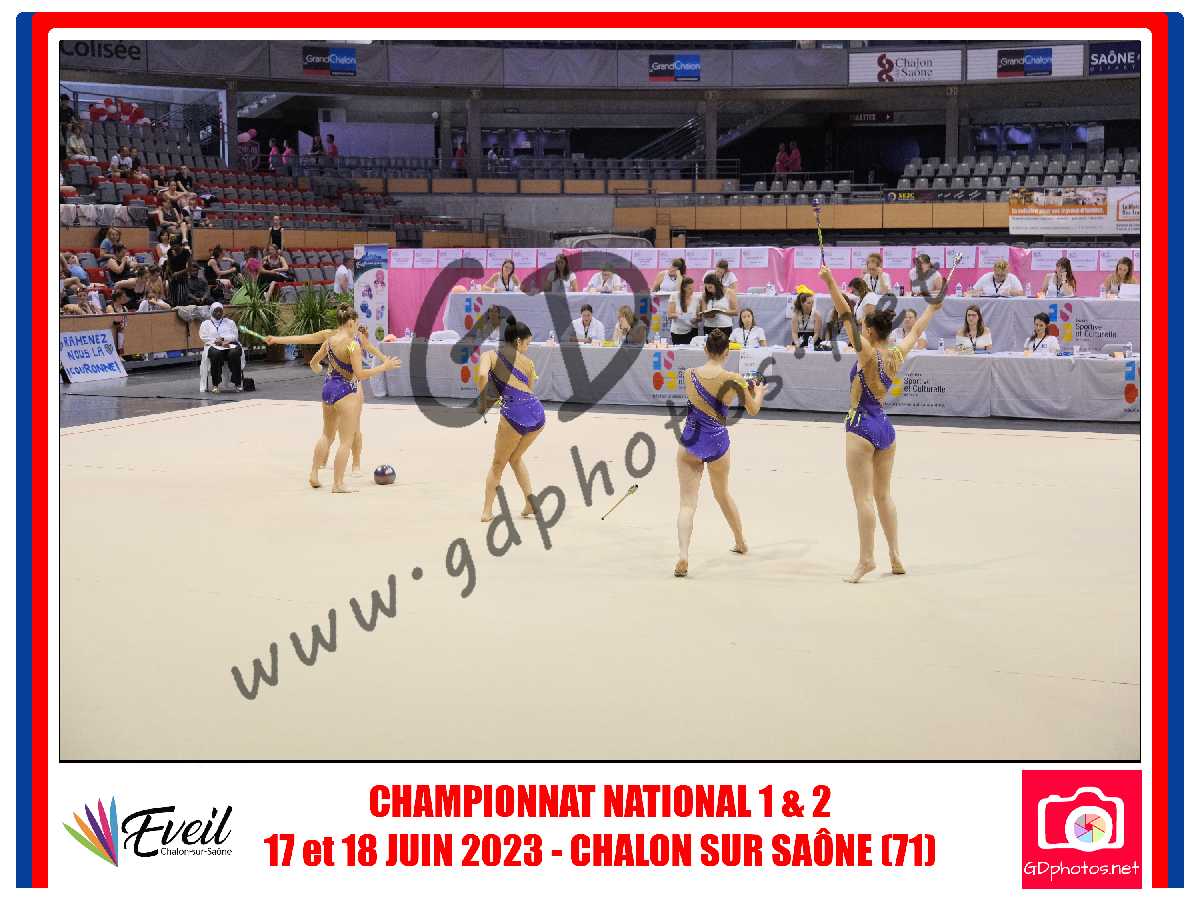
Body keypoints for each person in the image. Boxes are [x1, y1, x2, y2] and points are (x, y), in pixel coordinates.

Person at [819, 263, 942, 583]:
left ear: (871, 333)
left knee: (863, 498)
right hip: (885, 427)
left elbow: (844, 313)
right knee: (884, 495)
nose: (859, 330)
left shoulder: (867, 354)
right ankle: (895, 555)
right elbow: (916, 331)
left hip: (861, 425)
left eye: (863, 327)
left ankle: (866, 559)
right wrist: (933, 307)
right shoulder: (896, 354)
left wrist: (830, 281)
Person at [673, 328, 765, 577]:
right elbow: (753, 409)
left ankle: (683, 554)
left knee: (687, 504)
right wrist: (758, 392)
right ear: (727, 352)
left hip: (690, 441)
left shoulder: (689, 374)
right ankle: (740, 542)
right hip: (716, 443)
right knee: (722, 494)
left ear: (705, 349)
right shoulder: (734, 379)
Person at [268, 322, 393, 480]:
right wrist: (385, 363)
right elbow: (305, 339)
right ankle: (337, 464)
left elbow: (369, 348)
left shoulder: (349, 337)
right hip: (347, 385)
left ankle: (352, 463)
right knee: (342, 430)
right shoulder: (332, 336)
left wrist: (384, 358)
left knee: (337, 430)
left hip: (341, 385)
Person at [477, 316, 545, 521]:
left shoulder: (489, 355)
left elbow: (482, 375)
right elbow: (530, 390)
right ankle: (530, 502)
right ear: (518, 342)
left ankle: (487, 511)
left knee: (498, 464)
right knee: (515, 458)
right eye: (527, 344)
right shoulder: (528, 363)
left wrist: (484, 399)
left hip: (514, 416)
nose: (527, 348)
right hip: (537, 415)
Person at [199, 302, 244, 393]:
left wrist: (224, 339)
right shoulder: (205, 324)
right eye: (216, 311)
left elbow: (235, 336)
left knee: (234, 353)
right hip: (213, 346)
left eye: (220, 311)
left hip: (230, 345)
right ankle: (215, 384)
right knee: (216, 354)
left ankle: (237, 383)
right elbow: (204, 337)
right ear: (212, 312)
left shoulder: (230, 322)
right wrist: (216, 342)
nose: (219, 313)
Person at [696, 272, 734, 340]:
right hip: (709, 327)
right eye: (706, 287)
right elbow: (704, 312)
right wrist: (708, 314)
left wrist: (721, 311)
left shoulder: (729, 292)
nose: (708, 290)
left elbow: (735, 312)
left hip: (725, 326)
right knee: (709, 346)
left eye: (710, 287)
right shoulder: (705, 294)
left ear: (716, 285)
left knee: (724, 346)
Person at [666, 276, 699, 345]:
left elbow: (698, 317)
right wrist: (680, 315)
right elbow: (669, 315)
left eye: (693, 288)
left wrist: (696, 319)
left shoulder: (696, 298)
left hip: (692, 331)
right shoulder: (674, 296)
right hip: (677, 332)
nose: (692, 290)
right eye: (690, 288)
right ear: (684, 288)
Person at [163, 234, 192, 307]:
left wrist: (178, 273)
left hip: (182, 278)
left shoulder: (186, 252)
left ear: (179, 244)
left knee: (180, 299)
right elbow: (168, 265)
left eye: (175, 246)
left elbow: (189, 268)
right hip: (172, 277)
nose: (173, 248)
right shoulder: (170, 251)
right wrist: (165, 278)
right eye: (172, 246)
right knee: (173, 299)